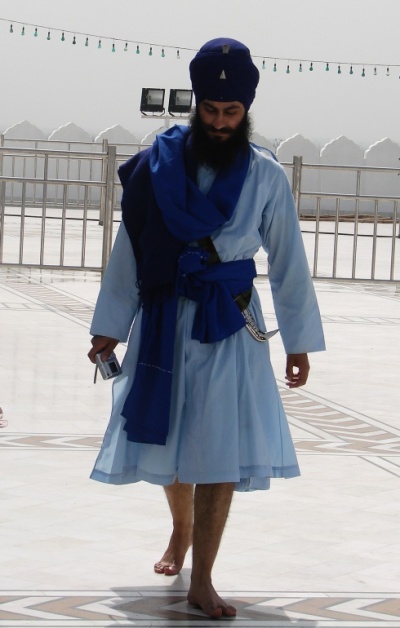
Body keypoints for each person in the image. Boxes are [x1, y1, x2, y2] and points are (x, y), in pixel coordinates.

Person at [88, 37, 325, 619]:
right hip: (165, 316)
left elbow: (289, 262)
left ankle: (204, 578)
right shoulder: (159, 165)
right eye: (211, 111)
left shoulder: (266, 175)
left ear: (247, 111)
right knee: (167, 433)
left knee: (219, 449)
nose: (219, 123)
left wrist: (298, 343)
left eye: (231, 112)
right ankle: (181, 529)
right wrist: (110, 325)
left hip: (231, 320)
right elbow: (133, 248)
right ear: (197, 105)